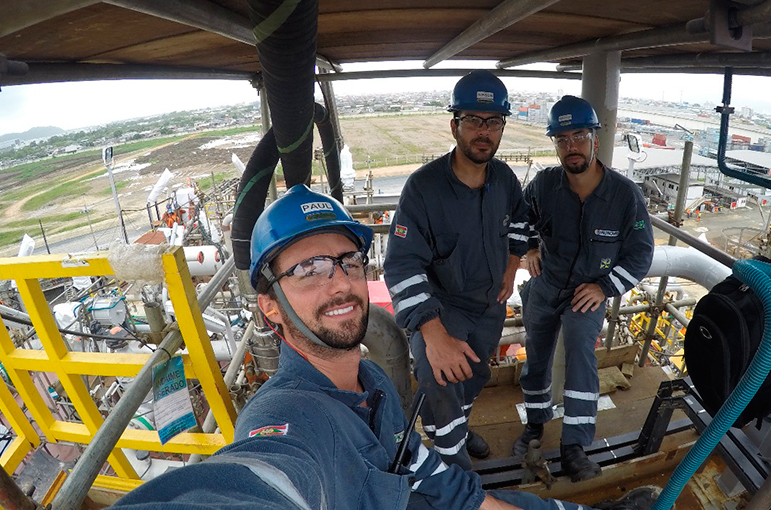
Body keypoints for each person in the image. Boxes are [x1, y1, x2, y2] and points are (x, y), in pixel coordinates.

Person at [111, 184, 658, 510]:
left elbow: (431, 477)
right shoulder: (288, 416)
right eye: (307, 270)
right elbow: (261, 479)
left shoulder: (372, 385)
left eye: (347, 262)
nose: (339, 283)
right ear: (270, 307)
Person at [383, 70, 529, 469]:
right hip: (441, 308)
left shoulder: (504, 179)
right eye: (472, 121)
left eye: (493, 122)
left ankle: (458, 430)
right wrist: (433, 334)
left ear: (501, 128)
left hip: (488, 307)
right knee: (440, 378)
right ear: (454, 126)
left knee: (474, 376)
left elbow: (519, 220)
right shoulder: (423, 188)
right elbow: (400, 265)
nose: (483, 131)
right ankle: (454, 464)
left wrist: (513, 263)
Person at [512, 96, 655, 483]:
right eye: (562, 138)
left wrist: (606, 286)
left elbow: (641, 255)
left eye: (579, 136)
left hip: (587, 293)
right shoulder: (544, 185)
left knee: (579, 353)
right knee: (536, 359)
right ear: (555, 144)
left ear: (595, 138)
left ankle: (574, 446)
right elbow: (520, 219)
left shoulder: (625, 197)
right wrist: (529, 247)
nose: (570, 146)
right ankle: (536, 425)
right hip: (546, 286)